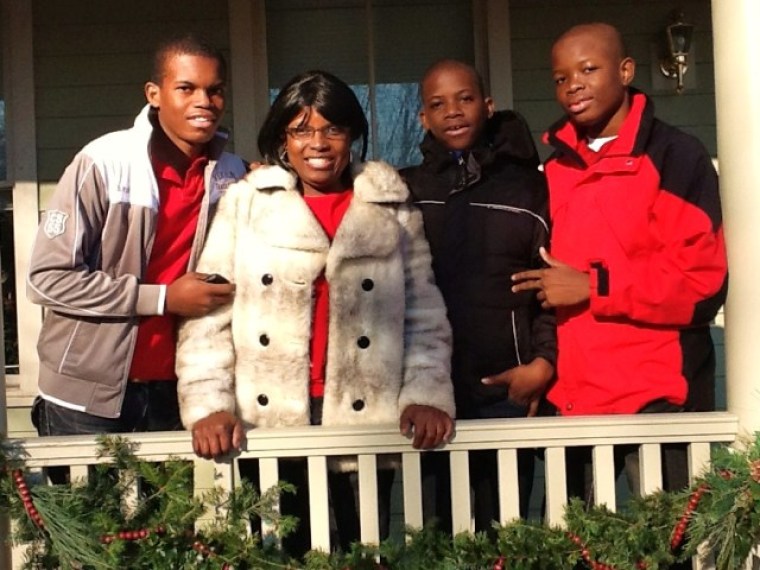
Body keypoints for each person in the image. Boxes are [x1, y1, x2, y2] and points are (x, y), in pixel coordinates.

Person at [175, 69, 455, 555]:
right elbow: (209, 318)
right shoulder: (247, 203)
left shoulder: (390, 206)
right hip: (270, 418)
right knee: (282, 553)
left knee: (363, 551)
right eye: (301, 129)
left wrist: (426, 392)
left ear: (352, 135)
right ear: (283, 138)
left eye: (332, 128)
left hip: (366, 417)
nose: (317, 143)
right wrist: (208, 406)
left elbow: (423, 314)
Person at [512, 22, 728, 512]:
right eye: (561, 77)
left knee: (673, 548)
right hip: (574, 400)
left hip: (660, 401)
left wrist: (594, 286)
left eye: (589, 69)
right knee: (572, 552)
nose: (574, 86)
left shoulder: (675, 156)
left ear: (626, 71)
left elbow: (703, 285)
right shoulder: (555, 169)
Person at [27, 33, 247, 443]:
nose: (204, 101)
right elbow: (47, 279)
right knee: (87, 511)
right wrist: (162, 298)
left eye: (215, 90)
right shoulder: (104, 163)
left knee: (176, 510)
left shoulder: (233, 175)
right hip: (85, 400)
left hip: (178, 393)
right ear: (154, 93)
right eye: (186, 88)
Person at [400, 59, 556, 531]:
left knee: (504, 526)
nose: (453, 111)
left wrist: (543, 363)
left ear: (487, 106)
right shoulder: (406, 189)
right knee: (435, 530)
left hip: (506, 389)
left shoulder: (531, 187)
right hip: (431, 393)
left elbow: (550, 283)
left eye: (465, 98)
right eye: (437, 104)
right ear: (422, 117)